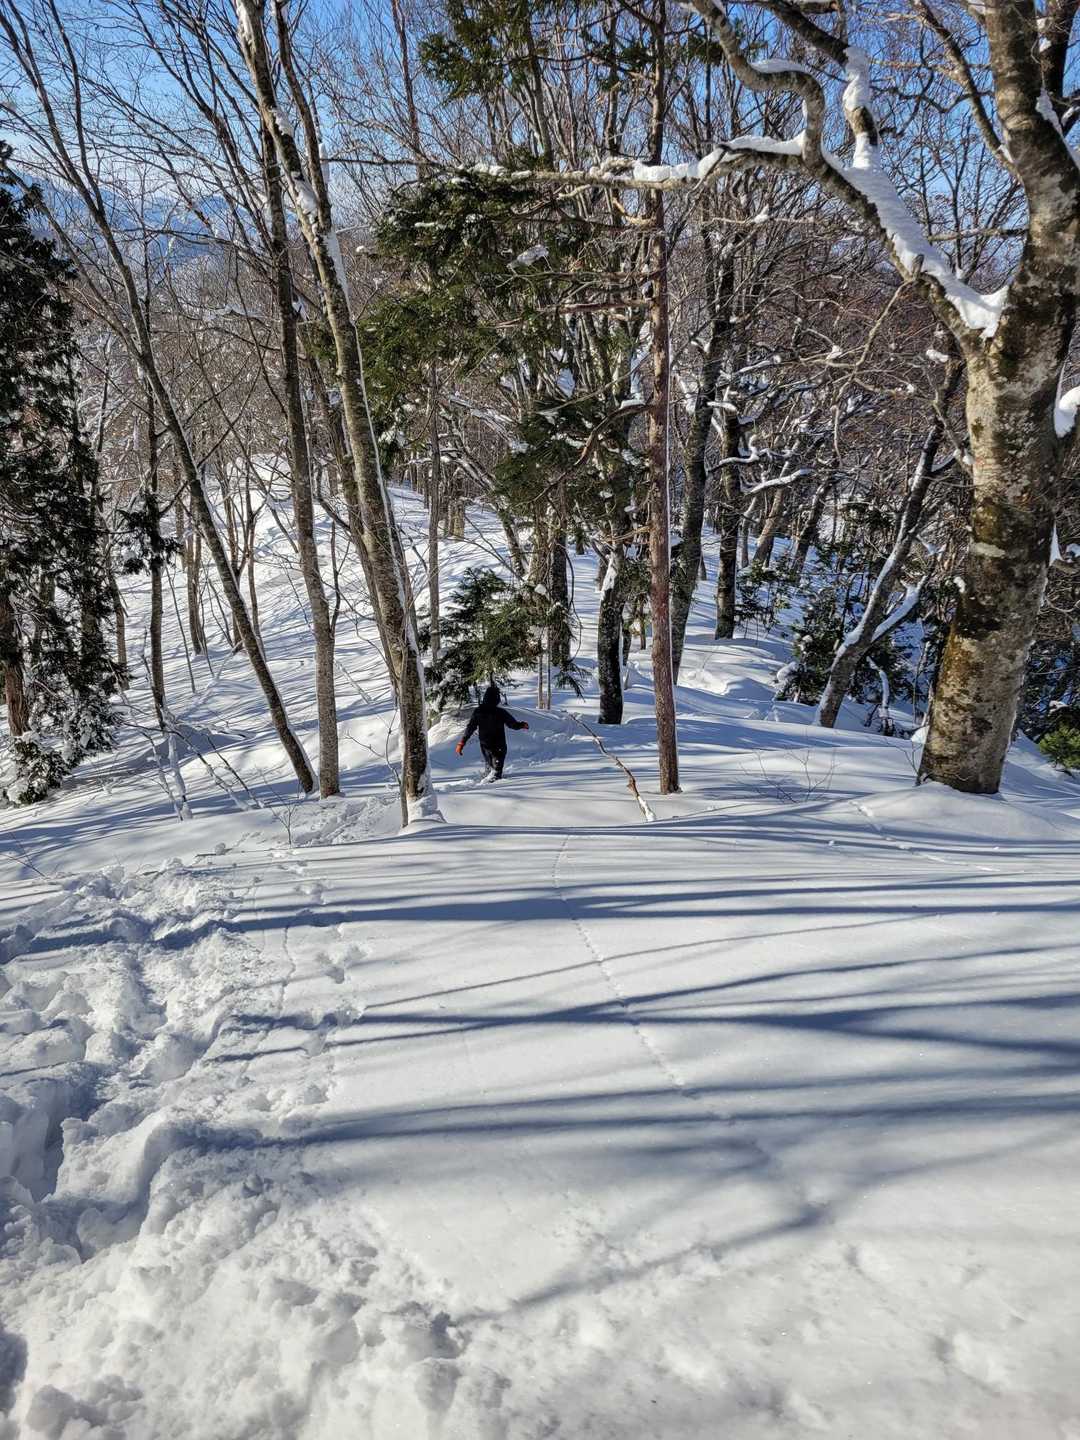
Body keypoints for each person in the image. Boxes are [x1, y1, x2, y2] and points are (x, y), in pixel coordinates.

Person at [455, 683, 529, 781]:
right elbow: (512, 725)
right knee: (496, 773)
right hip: (498, 745)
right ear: (497, 698)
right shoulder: (500, 712)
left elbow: (470, 728)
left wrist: (462, 742)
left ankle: (486, 778)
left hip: (485, 745)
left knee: (490, 766)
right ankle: (490, 783)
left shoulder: (478, 711)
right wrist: (522, 725)